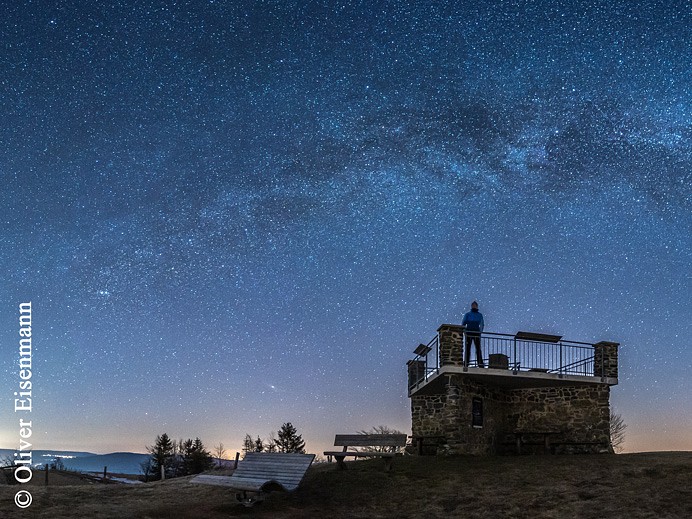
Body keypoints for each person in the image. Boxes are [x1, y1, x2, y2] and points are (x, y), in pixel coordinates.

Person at [462, 301, 485, 368]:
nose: (474, 306)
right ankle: (466, 363)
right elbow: (463, 323)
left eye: (475, 305)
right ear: (471, 306)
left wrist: (480, 332)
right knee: (468, 348)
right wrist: (464, 331)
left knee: (478, 348)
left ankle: (480, 363)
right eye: (473, 305)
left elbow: (482, 324)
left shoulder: (479, 315)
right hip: (468, 332)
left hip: (476, 332)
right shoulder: (468, 314)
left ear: (477, 306)